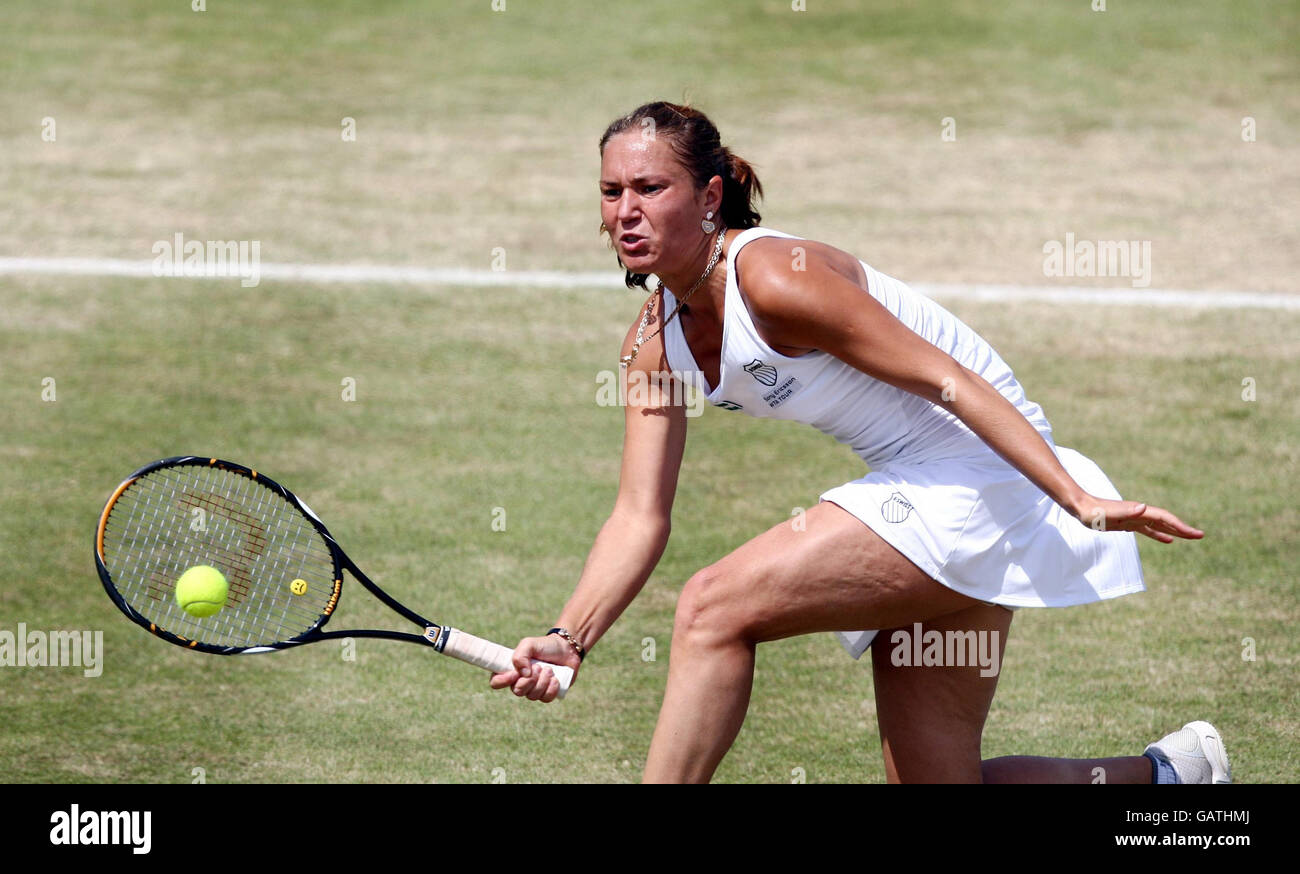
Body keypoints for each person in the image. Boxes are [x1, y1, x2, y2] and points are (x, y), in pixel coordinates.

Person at [489, 101, 1230, 785]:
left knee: (711, 608)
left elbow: (947, 378)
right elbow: (638, 516)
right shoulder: (651, 345)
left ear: (710, 197)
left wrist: (1076, 498)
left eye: (650, 188)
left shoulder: (776, 279)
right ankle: (1169, 776)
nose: (626, 211)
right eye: (611, 191)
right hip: (931, 487)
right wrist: (570, 635)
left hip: (978, 470)